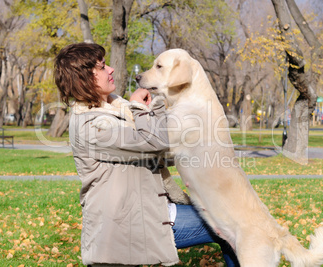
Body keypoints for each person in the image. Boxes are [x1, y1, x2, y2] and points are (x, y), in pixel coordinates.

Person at [54, 42, 240, 267]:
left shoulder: (117, 109)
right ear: (84, 78)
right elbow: (154, 142)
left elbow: (161, 150)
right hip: (126, 224)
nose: (111, 69)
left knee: (235, 225)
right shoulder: (91, 125)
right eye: (102, 67)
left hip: (149, 210)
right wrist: (143, 108)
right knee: (235, 228)